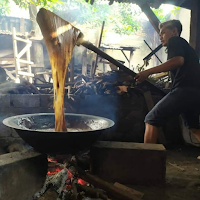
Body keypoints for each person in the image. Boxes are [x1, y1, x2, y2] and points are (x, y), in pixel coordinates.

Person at [134, 20, 200, 144]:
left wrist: (148, 72)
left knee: (151, 119)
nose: (160, 36)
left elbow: (177, 61)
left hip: (184, 90)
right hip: (196, 92)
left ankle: (147, 159)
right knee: (193, 127)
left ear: (174, 31)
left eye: (163, 32)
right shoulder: (187, 48)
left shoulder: (176, 41)